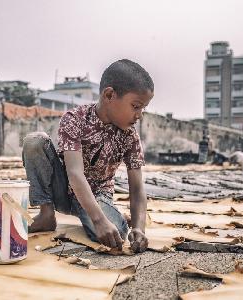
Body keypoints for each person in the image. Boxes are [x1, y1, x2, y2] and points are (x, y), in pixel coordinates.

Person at [22, 59, 153, 253]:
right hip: (63, 189)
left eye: (143, 108)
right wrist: (99, 220)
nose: (140, 115)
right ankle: (46, 214)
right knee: (35, 141)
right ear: (109, 95)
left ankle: (113, 216)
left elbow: (137, 188)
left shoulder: (129, 136)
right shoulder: (75, 119)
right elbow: (74, 173)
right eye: (136, 106)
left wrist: (139, 228)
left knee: (116, 232)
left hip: (97, 195)